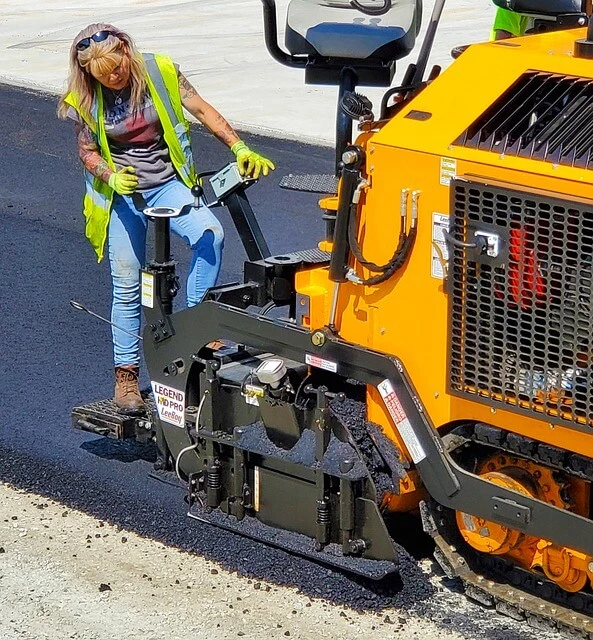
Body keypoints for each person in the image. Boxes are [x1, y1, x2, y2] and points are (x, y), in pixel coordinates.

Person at [57, 24, 275, 414]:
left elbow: (202, 109)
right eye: (103, 75)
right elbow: (87, 151)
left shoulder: (160, 71)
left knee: (211, 234)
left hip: (166, 185)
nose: (113, 77)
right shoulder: (84, 98)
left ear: (126, 50)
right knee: (127, 287)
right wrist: (111, 176)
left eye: (117, 67)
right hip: (123, 196)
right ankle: (126, 376)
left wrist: (239, 146)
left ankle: (193, 330)